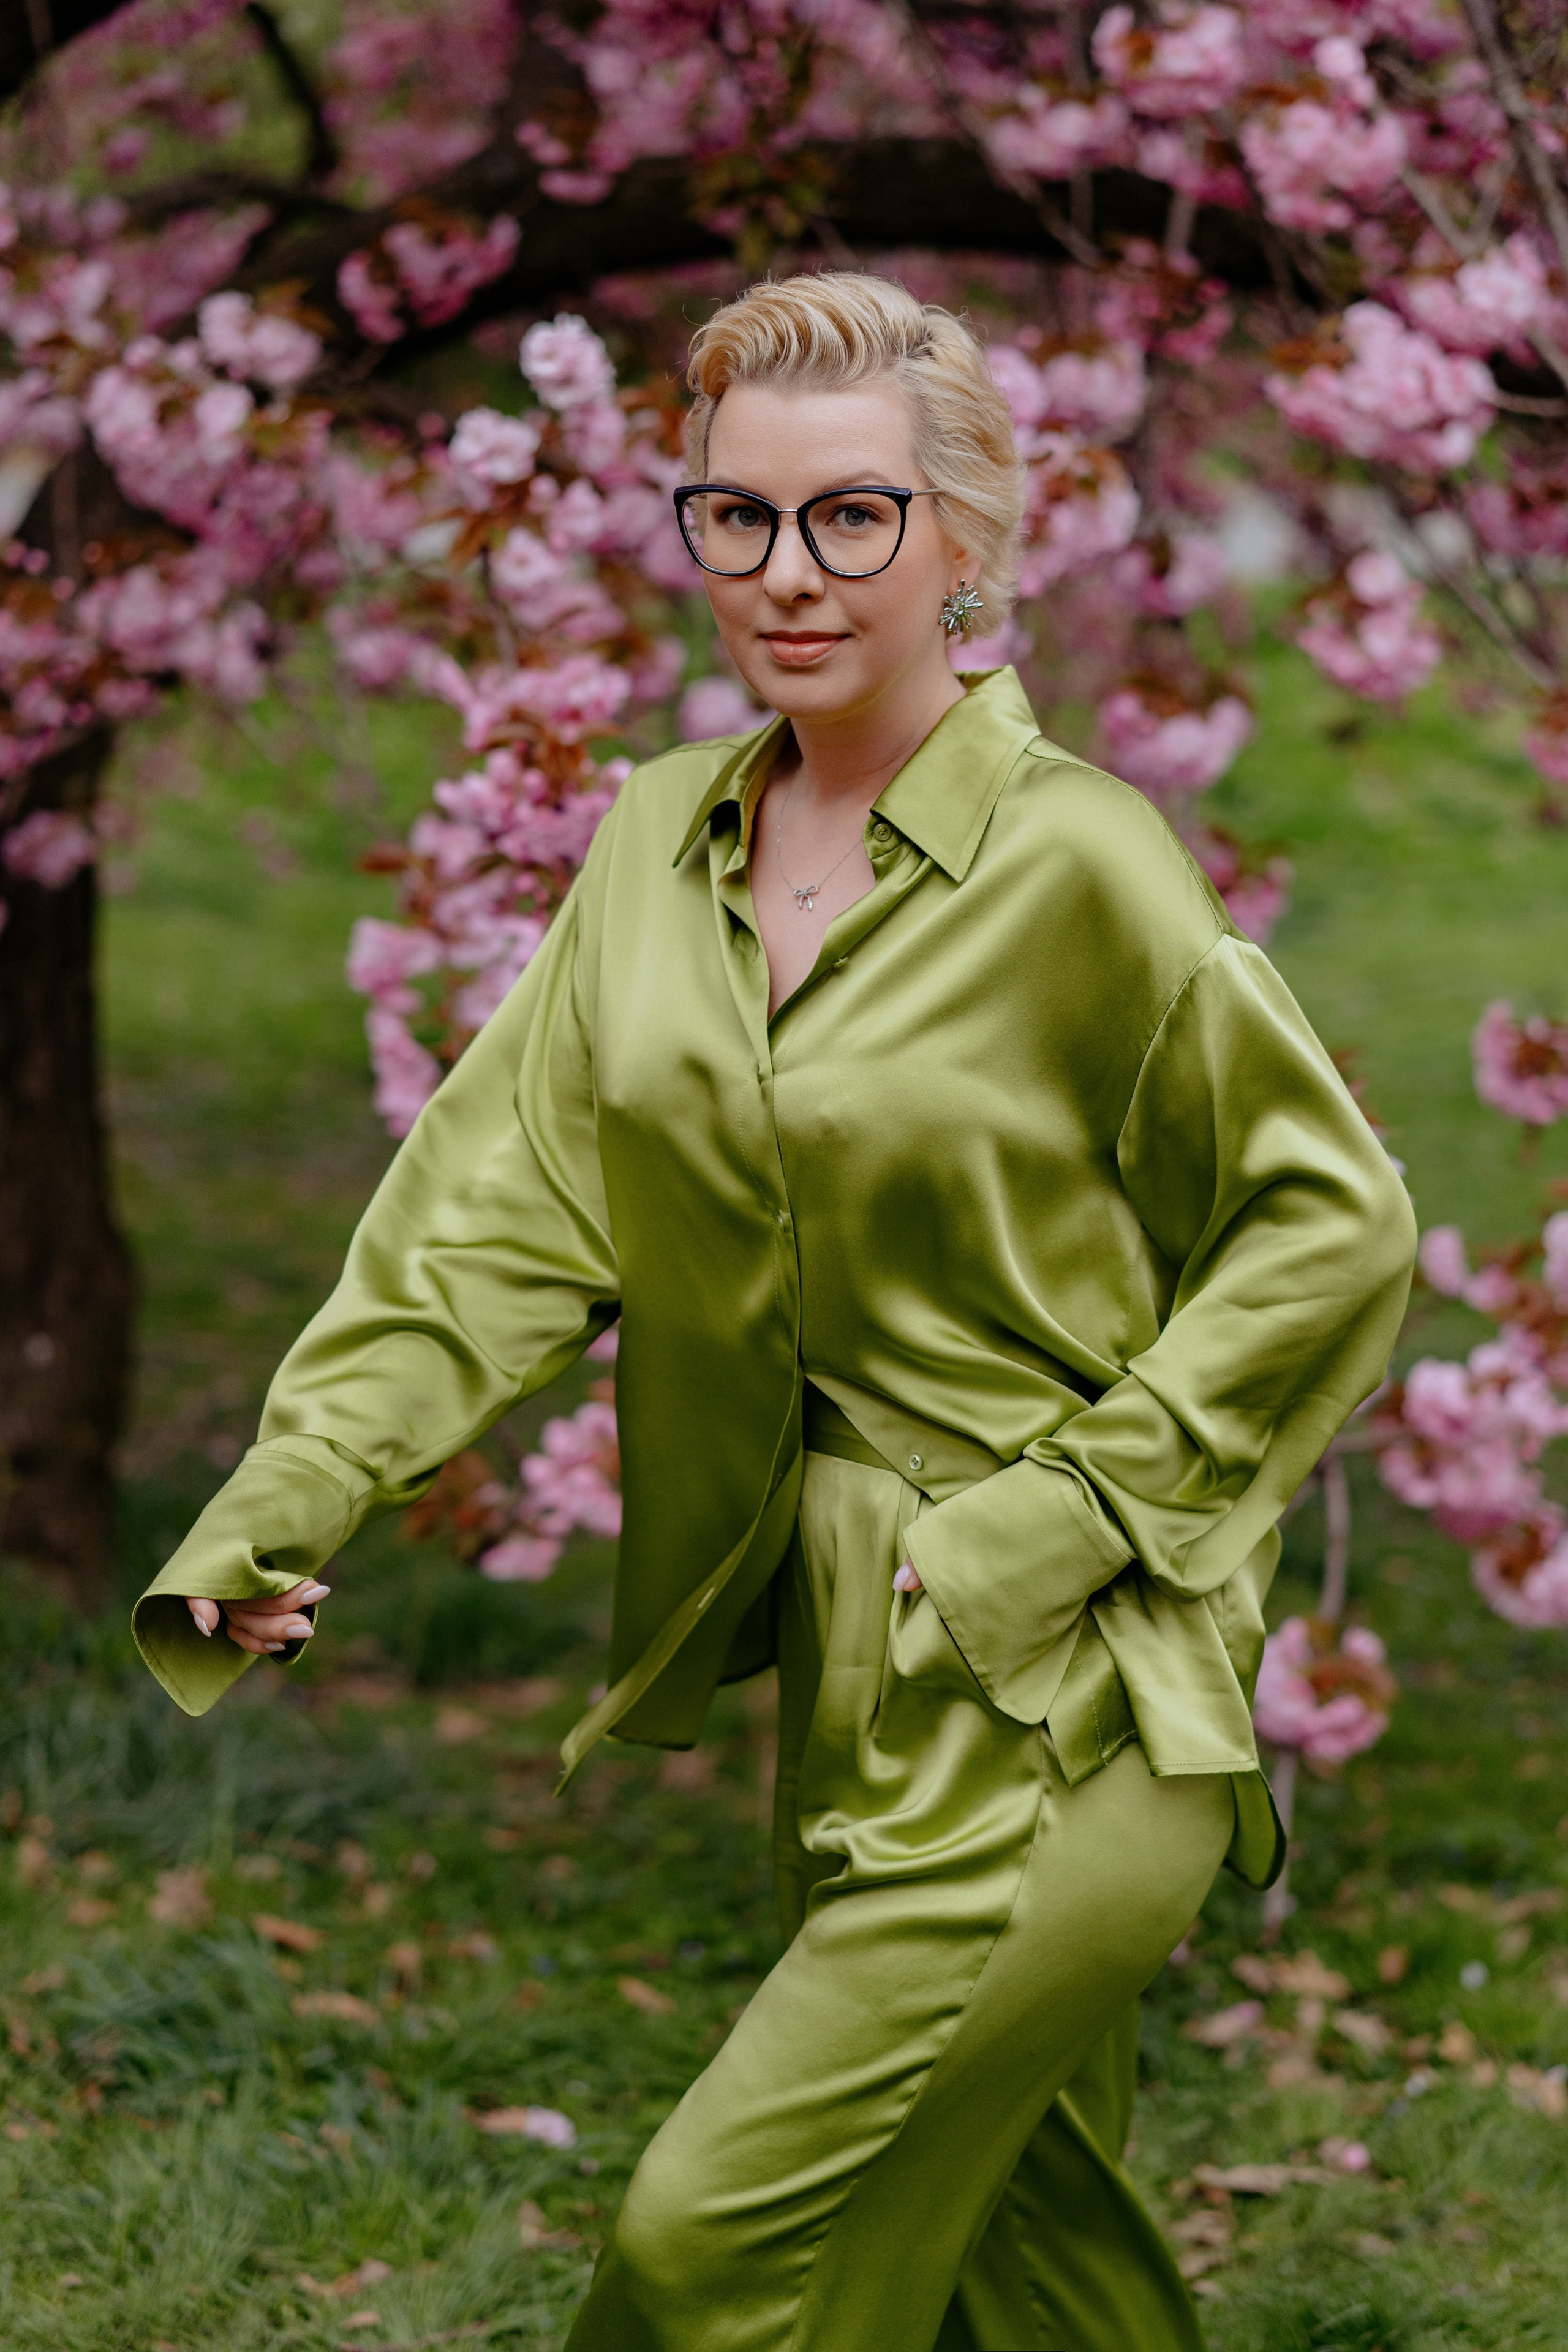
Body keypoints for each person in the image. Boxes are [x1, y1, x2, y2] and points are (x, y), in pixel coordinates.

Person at [133, 271, 1417, 2351]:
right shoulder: (653, 844)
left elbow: (1329, 1224)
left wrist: (1047, 1526)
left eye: (854, 518)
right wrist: (286, 1499)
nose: (789, 575)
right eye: (737, 518)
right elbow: (492, 1217)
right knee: (1029, 2269)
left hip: (1064, 1684)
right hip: (842, 1664)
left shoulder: (1085, 865)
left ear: (966, 543)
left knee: (712, 2255)